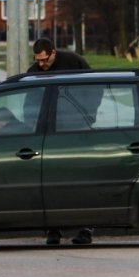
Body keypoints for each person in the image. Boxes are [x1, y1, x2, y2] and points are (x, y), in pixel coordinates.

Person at [27, 38, 94, 246]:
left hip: (77, 130)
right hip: (49, 136)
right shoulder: (34, 72)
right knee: (52, 183)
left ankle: (85, 229)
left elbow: (95, 87)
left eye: (44, 60)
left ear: (53, 53)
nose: (41, 65)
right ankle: (53, 230)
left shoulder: (75, 62)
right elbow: (29, 102)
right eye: (37, 60)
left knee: (81, 182)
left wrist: (89, 115)